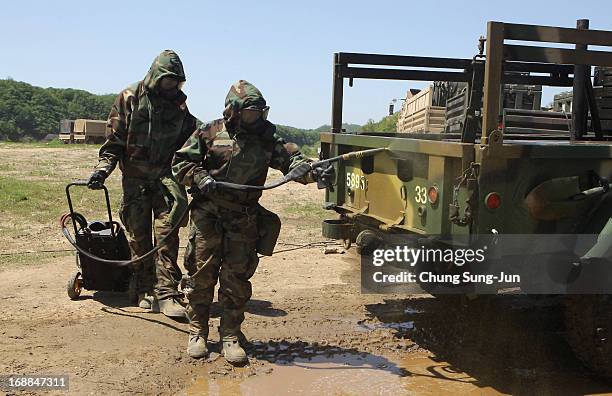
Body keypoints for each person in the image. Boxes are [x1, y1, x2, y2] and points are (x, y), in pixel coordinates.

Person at [172, 80, 333, 363]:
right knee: (201, 275)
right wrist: (200, 177)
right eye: (249, 112)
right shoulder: (209, 132)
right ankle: (197, 332)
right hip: (208, 215)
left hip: (243, 218)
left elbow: (292, 161)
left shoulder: (266, 137)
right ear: (233, 111)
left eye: (259, 112)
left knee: (236, 278)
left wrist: (312, 172)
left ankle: (231, 335)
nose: (255, 117)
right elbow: (180, 164)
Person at [87, 50, 199, 319]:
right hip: (135, 179)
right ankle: (143, 289)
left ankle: (167, 292)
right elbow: (113, 144)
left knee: (167, 234)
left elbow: (191, 145)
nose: (172, 86)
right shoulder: (130, 98)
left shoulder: (180, 106)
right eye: (167, 80)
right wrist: (102, 171)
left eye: (177, 81)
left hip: (166, 180)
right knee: (138, 236)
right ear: (155, 76)